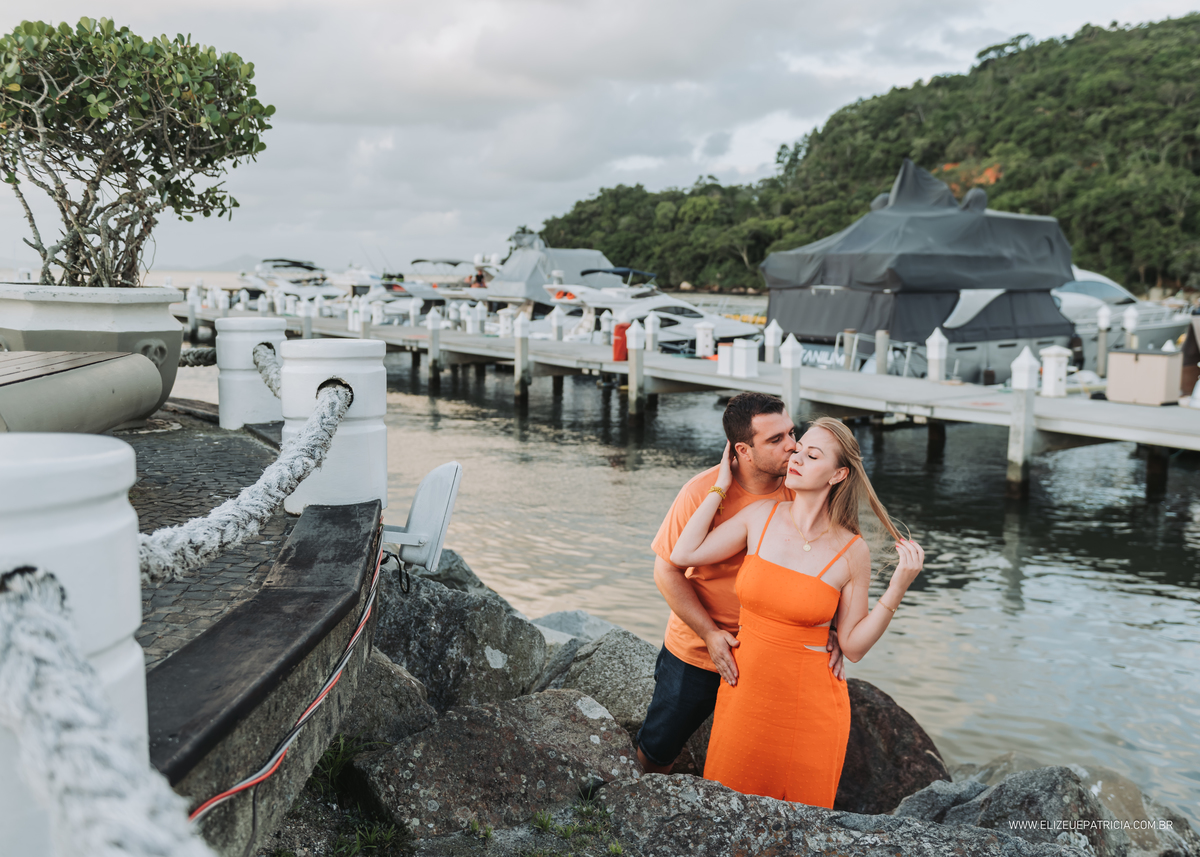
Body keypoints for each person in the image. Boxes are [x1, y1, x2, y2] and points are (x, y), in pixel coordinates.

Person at [668, 416, 924, 807]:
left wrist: (898, 587)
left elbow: (853, 647)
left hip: (811, 708)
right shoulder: (760, 516)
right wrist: (721, 484)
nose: (796, 458)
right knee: (728, 809)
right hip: (745, 695)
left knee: (800, 824)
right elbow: (684, 553)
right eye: (798, 449)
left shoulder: (852, 550)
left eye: (812, 455)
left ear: (838, 474)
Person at [635, 393, 845, 774]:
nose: (793, 446)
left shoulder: (802, 491)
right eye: (776, 439)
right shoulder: (701, 491)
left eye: (792, 432)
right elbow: (666, 571)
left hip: (766, 654)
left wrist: (833, 630)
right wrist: (710, 634)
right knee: (657, 751)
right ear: (743, 450)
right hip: (696, 652)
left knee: (756, 762)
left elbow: (830, 562)